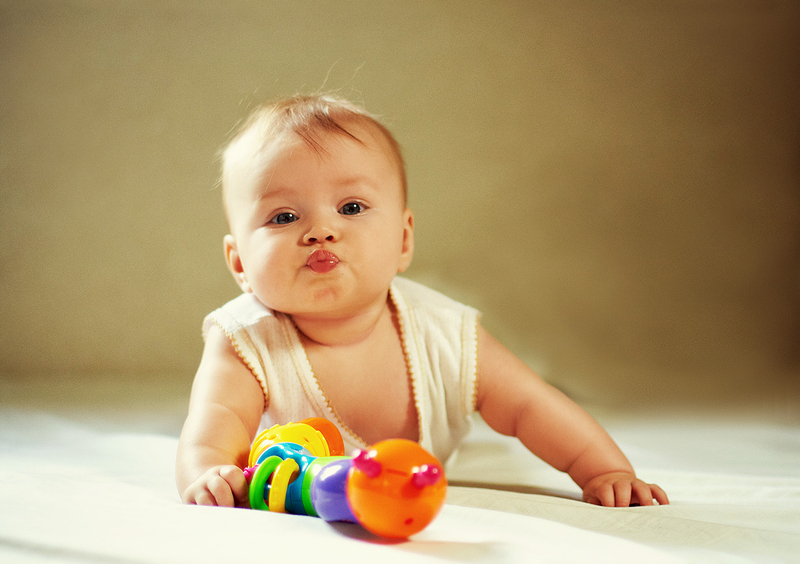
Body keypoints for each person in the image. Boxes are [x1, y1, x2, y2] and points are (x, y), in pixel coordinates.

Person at [175, 94, 669, 509]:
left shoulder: (444, 331)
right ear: (239, 264)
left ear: (404, 240)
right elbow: (216, 422)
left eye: (351, 207)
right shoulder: (246, 340)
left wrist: (603, 470)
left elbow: (529, 405)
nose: (321, 230)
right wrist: (210, 472)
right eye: (283, 217)